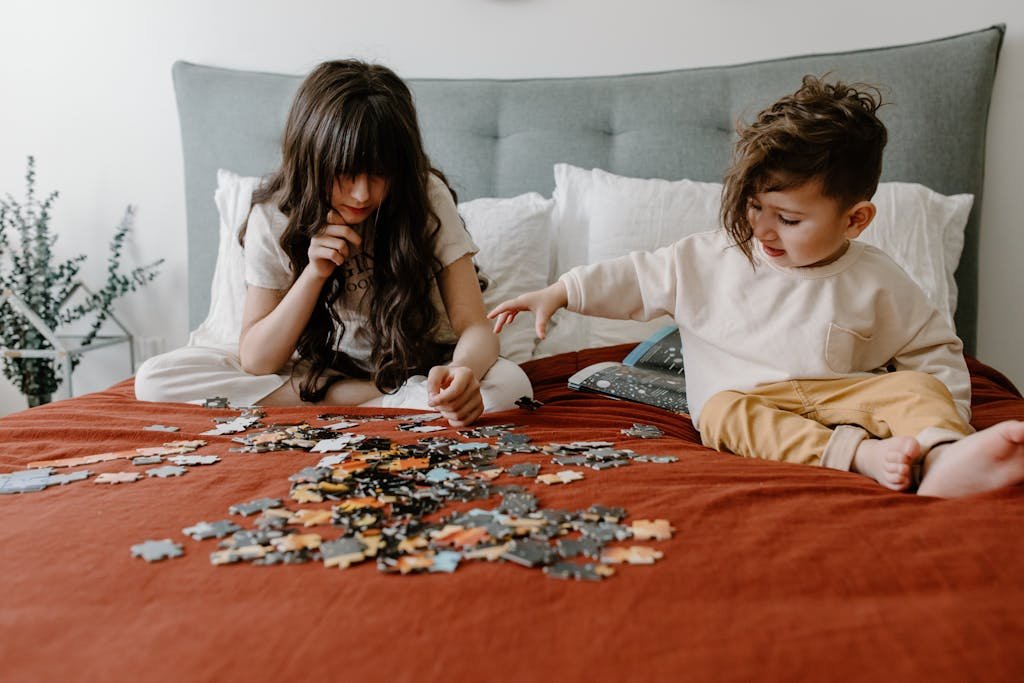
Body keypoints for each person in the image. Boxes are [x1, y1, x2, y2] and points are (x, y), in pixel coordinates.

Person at [488, 75, 1024, 498]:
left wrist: (945, 416)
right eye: (753, 207)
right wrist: (561, 291)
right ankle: (857, 457)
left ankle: (945, 456)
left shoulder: (878, 279)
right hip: (745, 400)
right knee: (719, 414)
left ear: (855, 220)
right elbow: (635, 276)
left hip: (839, 394)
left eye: (789, 219)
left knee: (918, 389)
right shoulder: (711, 255)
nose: (763, 230)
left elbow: (932, 350)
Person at [136, 59, 531, 426]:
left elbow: (475, 326)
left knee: (512, 389)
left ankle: (394, 397)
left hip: (423, 367)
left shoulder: (424, 196)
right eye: (345, 172)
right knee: (155, 379)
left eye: (378, 175)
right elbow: (257, 360)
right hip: (316, 373)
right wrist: (314, 274)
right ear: (311, 158)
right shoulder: (274, 214)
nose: (361, 194)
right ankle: (379, 398)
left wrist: (461, 373)